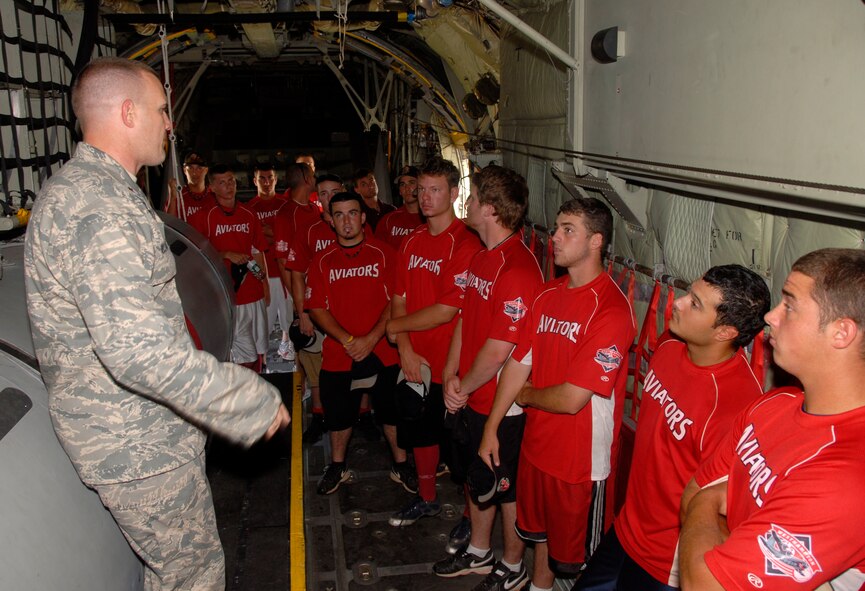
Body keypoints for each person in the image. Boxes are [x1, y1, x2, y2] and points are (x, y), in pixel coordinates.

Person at [23, 57, 289, 591]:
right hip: (135, 441)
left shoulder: (85, 191)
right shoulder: (103, 210)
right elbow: (137, 352)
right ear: (127, 113)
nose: (169, 124)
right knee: (193, 576)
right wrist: (248, 400)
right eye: (161, 110)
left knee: (171, 574)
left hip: (134, 432)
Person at [574, 265, 771, 591]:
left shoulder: (735, 409)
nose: (677, 303)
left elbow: (723, 513)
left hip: (666, 562)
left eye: (695, 303)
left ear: (725, 332)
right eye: (688, 294)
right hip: (625, 530)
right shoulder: (670, 342)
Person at [679, 248, 865, 591]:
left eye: (790, 306)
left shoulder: (848, 477)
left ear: (842, 332)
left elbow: (703, 584)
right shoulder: (772, 404)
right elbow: (692, 493)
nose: (770, 317)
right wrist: (712, 513)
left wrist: (710, 502)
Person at [483, 198, 636, 591]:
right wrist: (492, 427)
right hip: (537, 448)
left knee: (579, 561)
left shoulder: (611, 310)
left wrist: (526, 397)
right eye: (556, 228)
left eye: (569, 229)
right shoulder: (547, 294)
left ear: (597, 240)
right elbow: (519, 363)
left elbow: (572, 399)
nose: (555, 237)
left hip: (580, 464)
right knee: (541, 539)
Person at [432, 165, 543, 591]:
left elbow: (499, 351)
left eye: (473, 198)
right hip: (471, 392)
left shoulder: (518, 270)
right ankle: (479, 552)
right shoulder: (482, 256)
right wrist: (450, 371)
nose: (467, 204)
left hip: (501, 403)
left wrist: (464, 386)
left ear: (490, 209)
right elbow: (466, 317)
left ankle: (513, 565)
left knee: (506, 488)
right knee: (479, 481)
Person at [386, 156, 482, 526]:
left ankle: (469, 516)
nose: (424, 197)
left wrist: (396, 329)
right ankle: (426, 499)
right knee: (420, 433)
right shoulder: (411, 242)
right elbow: (398, 298)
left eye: (435, 189)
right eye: (420, 189)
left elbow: (447, 309)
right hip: (417, 359)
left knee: (459, 448)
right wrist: (406, 347)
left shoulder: (466, 244)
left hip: (453, 363)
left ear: (454, 193)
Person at [305, 191, 414, 495]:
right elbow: (316, 307)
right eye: (338, 215)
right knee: (339, 416)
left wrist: (371, 338)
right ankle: (337, 466)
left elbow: (396, 300)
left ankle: (401, 464)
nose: (346, 221)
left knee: (391, 413)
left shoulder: (385, 254)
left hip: (383, 351)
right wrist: (350, 340)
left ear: (364, 217)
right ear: (331, 221)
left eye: (352, 213)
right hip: (340, 353)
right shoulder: (322, 261)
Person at [189, 165, 270, 372]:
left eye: (231, 181)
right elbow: (196, 257)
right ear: (212, 187)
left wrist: (265, 285)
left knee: (259, 347)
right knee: (236, 350)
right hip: (226, 295)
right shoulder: (203, 217)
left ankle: (256, 392)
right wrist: (225, 254)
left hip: (253, 292)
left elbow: (258, 251)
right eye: (222, 183)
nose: (229, 186)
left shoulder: (248, 213)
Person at [287, 173, 344, 444]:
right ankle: (319, 416)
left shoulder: (354, 225)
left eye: (335, 191)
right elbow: (297, 274)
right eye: (324, 193)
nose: (330, 197)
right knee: (316, 369)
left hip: (347, 311)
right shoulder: (309, 230)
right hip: (317, 311)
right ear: (317, 198)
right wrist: (303, 314)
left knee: (359, 366)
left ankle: (363, 414)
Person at [248, 162, 295, 362]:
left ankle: (295, 370)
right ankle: (263, 365)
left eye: (270, 178)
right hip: (264, 274)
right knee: (262, 327)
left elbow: (290, 238)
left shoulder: (286, 206)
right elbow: (254, 241)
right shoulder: (249, 208)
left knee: (292, 324)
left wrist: (268, 233)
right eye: (262, 178)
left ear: (276, 180)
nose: (266, 183)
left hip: (287, 272)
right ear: (254, 181)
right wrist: (273, 236)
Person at [375, 164, 424, 250]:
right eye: (402, 184)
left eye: (411, 182)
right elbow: (378, 252)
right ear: (400, 191)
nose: (407, 188)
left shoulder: (430, 218)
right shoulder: (388, 220)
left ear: (421, 186)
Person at [164, 151, 215, 221]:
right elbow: (169, 223)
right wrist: (172, 197)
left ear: (206, 170)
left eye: (199, 168)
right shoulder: (179, 196)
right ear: (185, 170)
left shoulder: (214, 194)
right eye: (190, 168)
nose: (194, 172)